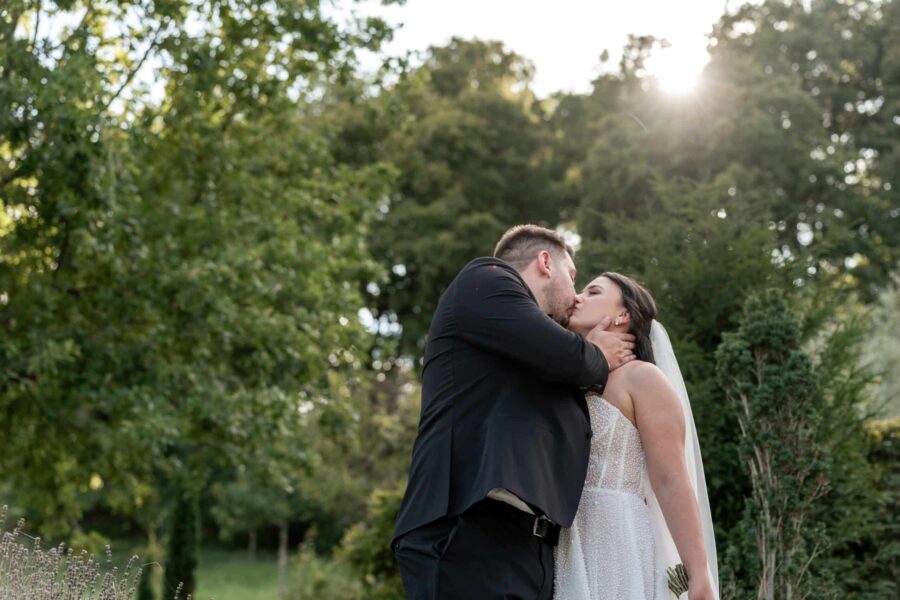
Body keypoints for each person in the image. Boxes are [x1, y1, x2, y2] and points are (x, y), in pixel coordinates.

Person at [392, 225, 636, 600]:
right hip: (463, 531)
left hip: (526, 546)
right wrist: (598, 354)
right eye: (573, 278)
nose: (575, 297)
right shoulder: (485, 280)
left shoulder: (527, 351)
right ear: (544, 263)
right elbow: (567, 355)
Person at [554, 272, 718, 600]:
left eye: (593, 291)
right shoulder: (567, 384)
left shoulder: (642, 379)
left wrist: (699, 572)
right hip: (564, 539)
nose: (577, 297)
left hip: (616, 535)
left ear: (623, 315)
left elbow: (670, 478)